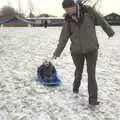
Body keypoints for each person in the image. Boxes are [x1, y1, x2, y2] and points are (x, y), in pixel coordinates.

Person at [52, 0, 115, 105]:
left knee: (91, 73)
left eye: (68, 9)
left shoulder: (88, 12)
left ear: (74, 6)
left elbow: (100, 20)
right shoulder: (68, 21)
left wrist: (109, 31)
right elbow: (63, 39)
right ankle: (75, 88)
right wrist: (56, 53)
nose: (67, 11)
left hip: (92, 49)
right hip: (76, 51)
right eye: (65, 10)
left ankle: (93, 100)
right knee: (78, 71)